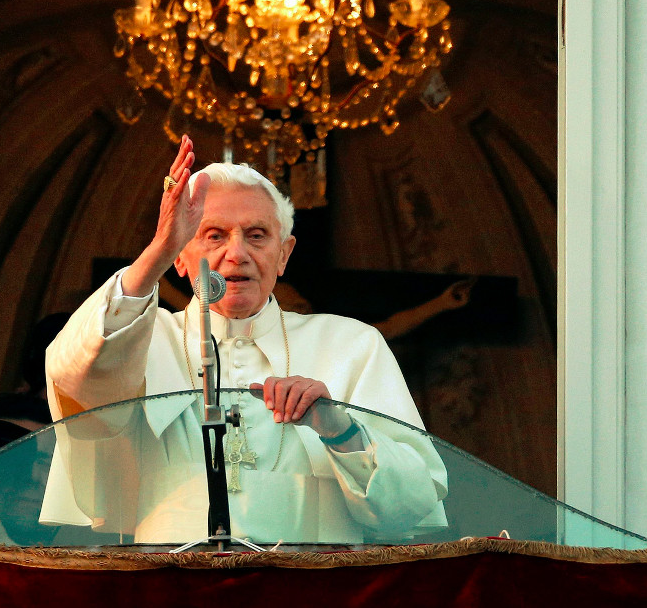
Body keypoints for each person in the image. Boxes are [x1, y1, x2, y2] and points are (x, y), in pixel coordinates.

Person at [40, 136, 446, 544]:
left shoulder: (352, 345)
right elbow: (76, 376)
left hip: (313, 588)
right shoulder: (139, 337)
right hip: (169, 584)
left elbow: (412, 502)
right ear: (179, 256)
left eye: (256, 235)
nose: (237, 253)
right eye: (213, 235)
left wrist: (340, 429)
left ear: (284, 254)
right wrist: (159, 249)